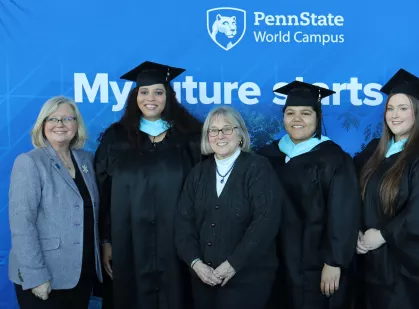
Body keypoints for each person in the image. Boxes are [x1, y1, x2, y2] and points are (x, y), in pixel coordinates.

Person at [94, 61, 203, 309]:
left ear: (169, 97)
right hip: (128, 241)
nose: (150, 98)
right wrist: (106, 241)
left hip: (177, 244)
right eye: (144, 92)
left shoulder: (190, 139)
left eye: (158, 92)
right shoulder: (116, 138)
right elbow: (104, 192)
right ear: (135, 97)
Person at [353, 69, 419, 309]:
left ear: (417, 113)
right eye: (390, 108)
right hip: (372, 265)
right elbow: (355, 195)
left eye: (403, 108)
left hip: (407, 276)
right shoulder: (374, 152)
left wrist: (383, 235)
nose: (394, 115)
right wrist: (356, 231)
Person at [258, 81, 361, 309]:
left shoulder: (334, 159)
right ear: (283, 117)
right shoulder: (267, 155)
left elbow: (344, 213)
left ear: (317, 117)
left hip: (315, 263)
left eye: (305, 113)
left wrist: (334, 262)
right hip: (274, 260)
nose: (297, 119)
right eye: (290, 113)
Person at [175, 106, 283, 309]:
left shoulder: (258, 167)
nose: (220, 135)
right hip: (203, 279)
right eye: (213, 130)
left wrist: (233, 264)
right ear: (207, 137)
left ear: (240, 134)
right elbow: (183, 224)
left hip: (247, 279)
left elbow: (266, 222)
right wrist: (196, 263)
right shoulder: (198, 173)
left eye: (227, 129)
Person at [8, 96, 102, 309]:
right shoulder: (30, 162)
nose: (60, 125)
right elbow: (22, 224)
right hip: (45, 276)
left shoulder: (87, 160)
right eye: (53, 119)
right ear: (43, 125)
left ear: (76, 125)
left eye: (67, 119)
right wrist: (36, 276)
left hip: (81, 274)